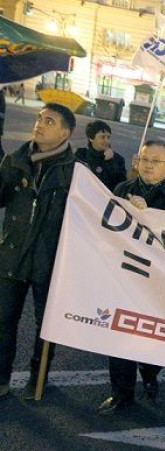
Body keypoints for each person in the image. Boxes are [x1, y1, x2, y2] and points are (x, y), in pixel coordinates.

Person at [96, 140, 165, 414]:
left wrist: (147, 215)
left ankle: (150, 373)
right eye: (144, 159)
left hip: (158, 283)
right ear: (137, 162)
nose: (149, 165)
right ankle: (121, 394)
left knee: (153, 342)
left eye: (156, 161)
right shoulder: (122, 191)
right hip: (125, 276)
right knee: (118, 337)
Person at [0, 104, 81, 400]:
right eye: (39, 118)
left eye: (49, 121)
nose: (40, 124)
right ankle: (1, 378)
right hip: (11, 254)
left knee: (45, 327)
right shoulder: (14, 160)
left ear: (65, 133)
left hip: (50, 261)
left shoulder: (75, 172)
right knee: (3, 321)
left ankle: (38, 377)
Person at [74, 120, 127, 192]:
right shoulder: (80, 155)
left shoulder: (118, 160)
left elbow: (120, 188)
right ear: (91, 138)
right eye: (102, 137)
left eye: (108, 137)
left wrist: (110, 162)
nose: (107, 141)